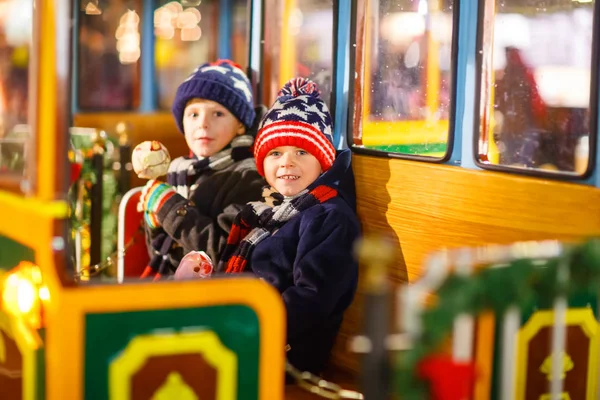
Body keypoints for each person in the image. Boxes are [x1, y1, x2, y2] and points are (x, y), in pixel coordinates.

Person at [218, 77, 361, 374]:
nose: (286, 163)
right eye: (275, 153)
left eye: (301, 152)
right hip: (248, 325)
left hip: (284, 352)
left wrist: (244, 328)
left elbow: (311, 299)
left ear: (323, 161)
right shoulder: (272, 209)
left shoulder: (329, 217)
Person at [138, 59, 265, 279]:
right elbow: (165, 256)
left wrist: (170, 209)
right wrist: (155, 223)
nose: (203, 123)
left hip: (213, 299)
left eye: (218, 114)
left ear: (241, 125)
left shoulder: (248, 176)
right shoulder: (183, 170)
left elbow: (224, 253)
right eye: (193, 114)